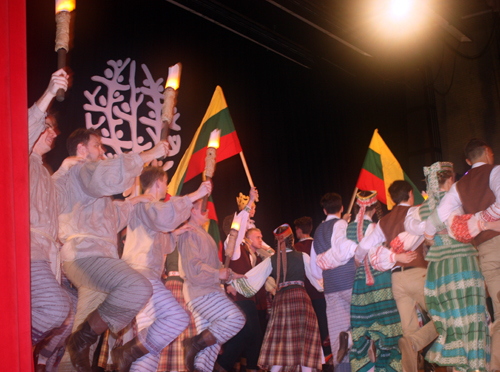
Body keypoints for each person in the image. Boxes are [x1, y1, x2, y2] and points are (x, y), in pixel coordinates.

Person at [57, 128, 170, 371]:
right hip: (88, 256)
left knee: (84, 338)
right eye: (97, 145)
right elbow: (107, 176)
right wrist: (148, 154)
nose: (102, 151)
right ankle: (83, 342)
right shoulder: (80, 168)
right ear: (82, 149)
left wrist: (131, 202)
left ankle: (75, 352)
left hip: (89, 259)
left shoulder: (83, 184)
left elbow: (108, 220)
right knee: (138, 287)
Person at [111, 166, 212, 371]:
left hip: (142, 277)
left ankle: (130, 356)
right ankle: (125, 352)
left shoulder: (147, 208)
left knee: (150, 339)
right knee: (177, 317)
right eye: (165, 182)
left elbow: (161, 241)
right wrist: (195, 195)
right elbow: (164, 218)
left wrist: (174, 235)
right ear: (158, 182)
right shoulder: (147, 204)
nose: (166, 187)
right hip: (141, 275)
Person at [406, 161, 491, 372]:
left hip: (439, 271)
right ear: (451, 179)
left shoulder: (421, 210)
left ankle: (424, 346)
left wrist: (428, 237)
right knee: (472, 318)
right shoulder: (460, 200)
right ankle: (475, 367)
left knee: (450, 322)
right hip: (464, 264)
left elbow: (410, 228)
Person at [423, 139, 500, 372]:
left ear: (468, 161)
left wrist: (428, 237)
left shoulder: (459, 188)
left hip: (484, 253)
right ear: (489, 153)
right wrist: (484, 219)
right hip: (471, 261)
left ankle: (494, 365)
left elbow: (434, 220)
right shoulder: (495, 171)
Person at [356, 181, 434, 372]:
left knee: (408, 329)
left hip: (396, 280)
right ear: (410, 193)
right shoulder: (416, 212)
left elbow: (363, 247)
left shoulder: (384, 221)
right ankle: (416, 342)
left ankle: (411, 354)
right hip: (418, 273)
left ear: (392, 198)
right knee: (443, 317)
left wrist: (358, 261)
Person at [232, 224, 324, 372]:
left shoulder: (272, 260)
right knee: (303, 340)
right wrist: (323, 287)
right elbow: (316, 280)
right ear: (291, 240)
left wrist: (233, 281)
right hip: (301, 301)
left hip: (281, 300)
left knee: (281, 341)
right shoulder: (303, 257)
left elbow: (254, 277)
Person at [176, 199, 246, 372]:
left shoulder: (203, 234)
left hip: (207, 290)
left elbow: (216, 269)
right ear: (192, 211)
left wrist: (231, 275)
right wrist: (217, 274)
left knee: (208, 352)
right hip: (201, 292)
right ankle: (193, 344)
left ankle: (197, 350)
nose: (207, 211)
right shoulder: (189, 232)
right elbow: (193, 268)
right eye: (203, 208)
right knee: (236, 319)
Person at [346, 191, 404, 372]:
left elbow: (337, 257)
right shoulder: (375, 228)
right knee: (389, 329)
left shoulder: (345, 229)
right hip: (380, 280)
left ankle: (354, 344)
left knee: (363, 326)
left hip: (359, 283)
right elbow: (379, 255)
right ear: (373, 207)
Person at [215, 188, 266, 372]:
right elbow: (240, 223)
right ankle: (223, 366)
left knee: (253, 337)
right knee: (247, 335)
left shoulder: (241, 246)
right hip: (240, 300)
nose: (246, 227)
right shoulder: (233, 243)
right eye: (243, 226)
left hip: (247, 299)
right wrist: (250, 201)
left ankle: (248, 367)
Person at [309, 193, 357, 372]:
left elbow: (315, 271)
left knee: (338, 333)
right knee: (361, 323)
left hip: (330, 288)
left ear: (324, 210)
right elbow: (342, 250)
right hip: (349, 283)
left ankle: (343, 369)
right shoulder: (341, 224)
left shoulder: (318, 231)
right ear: (342, 208)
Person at [293, 217, 332, 360]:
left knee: (308, 327)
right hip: (322, 292)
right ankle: (327, 353)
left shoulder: (295, 249)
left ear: (298, 230)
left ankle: (312, 356)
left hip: (304, 294)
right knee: (323, 323)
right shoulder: (319, 244)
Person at [156, 249, 197, 372]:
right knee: (185, 328)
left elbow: (160, 269)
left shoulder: (169, 241)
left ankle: (167, 366)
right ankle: (181, 366)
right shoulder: (189, 243)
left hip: (172, 285)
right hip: (183, 287)